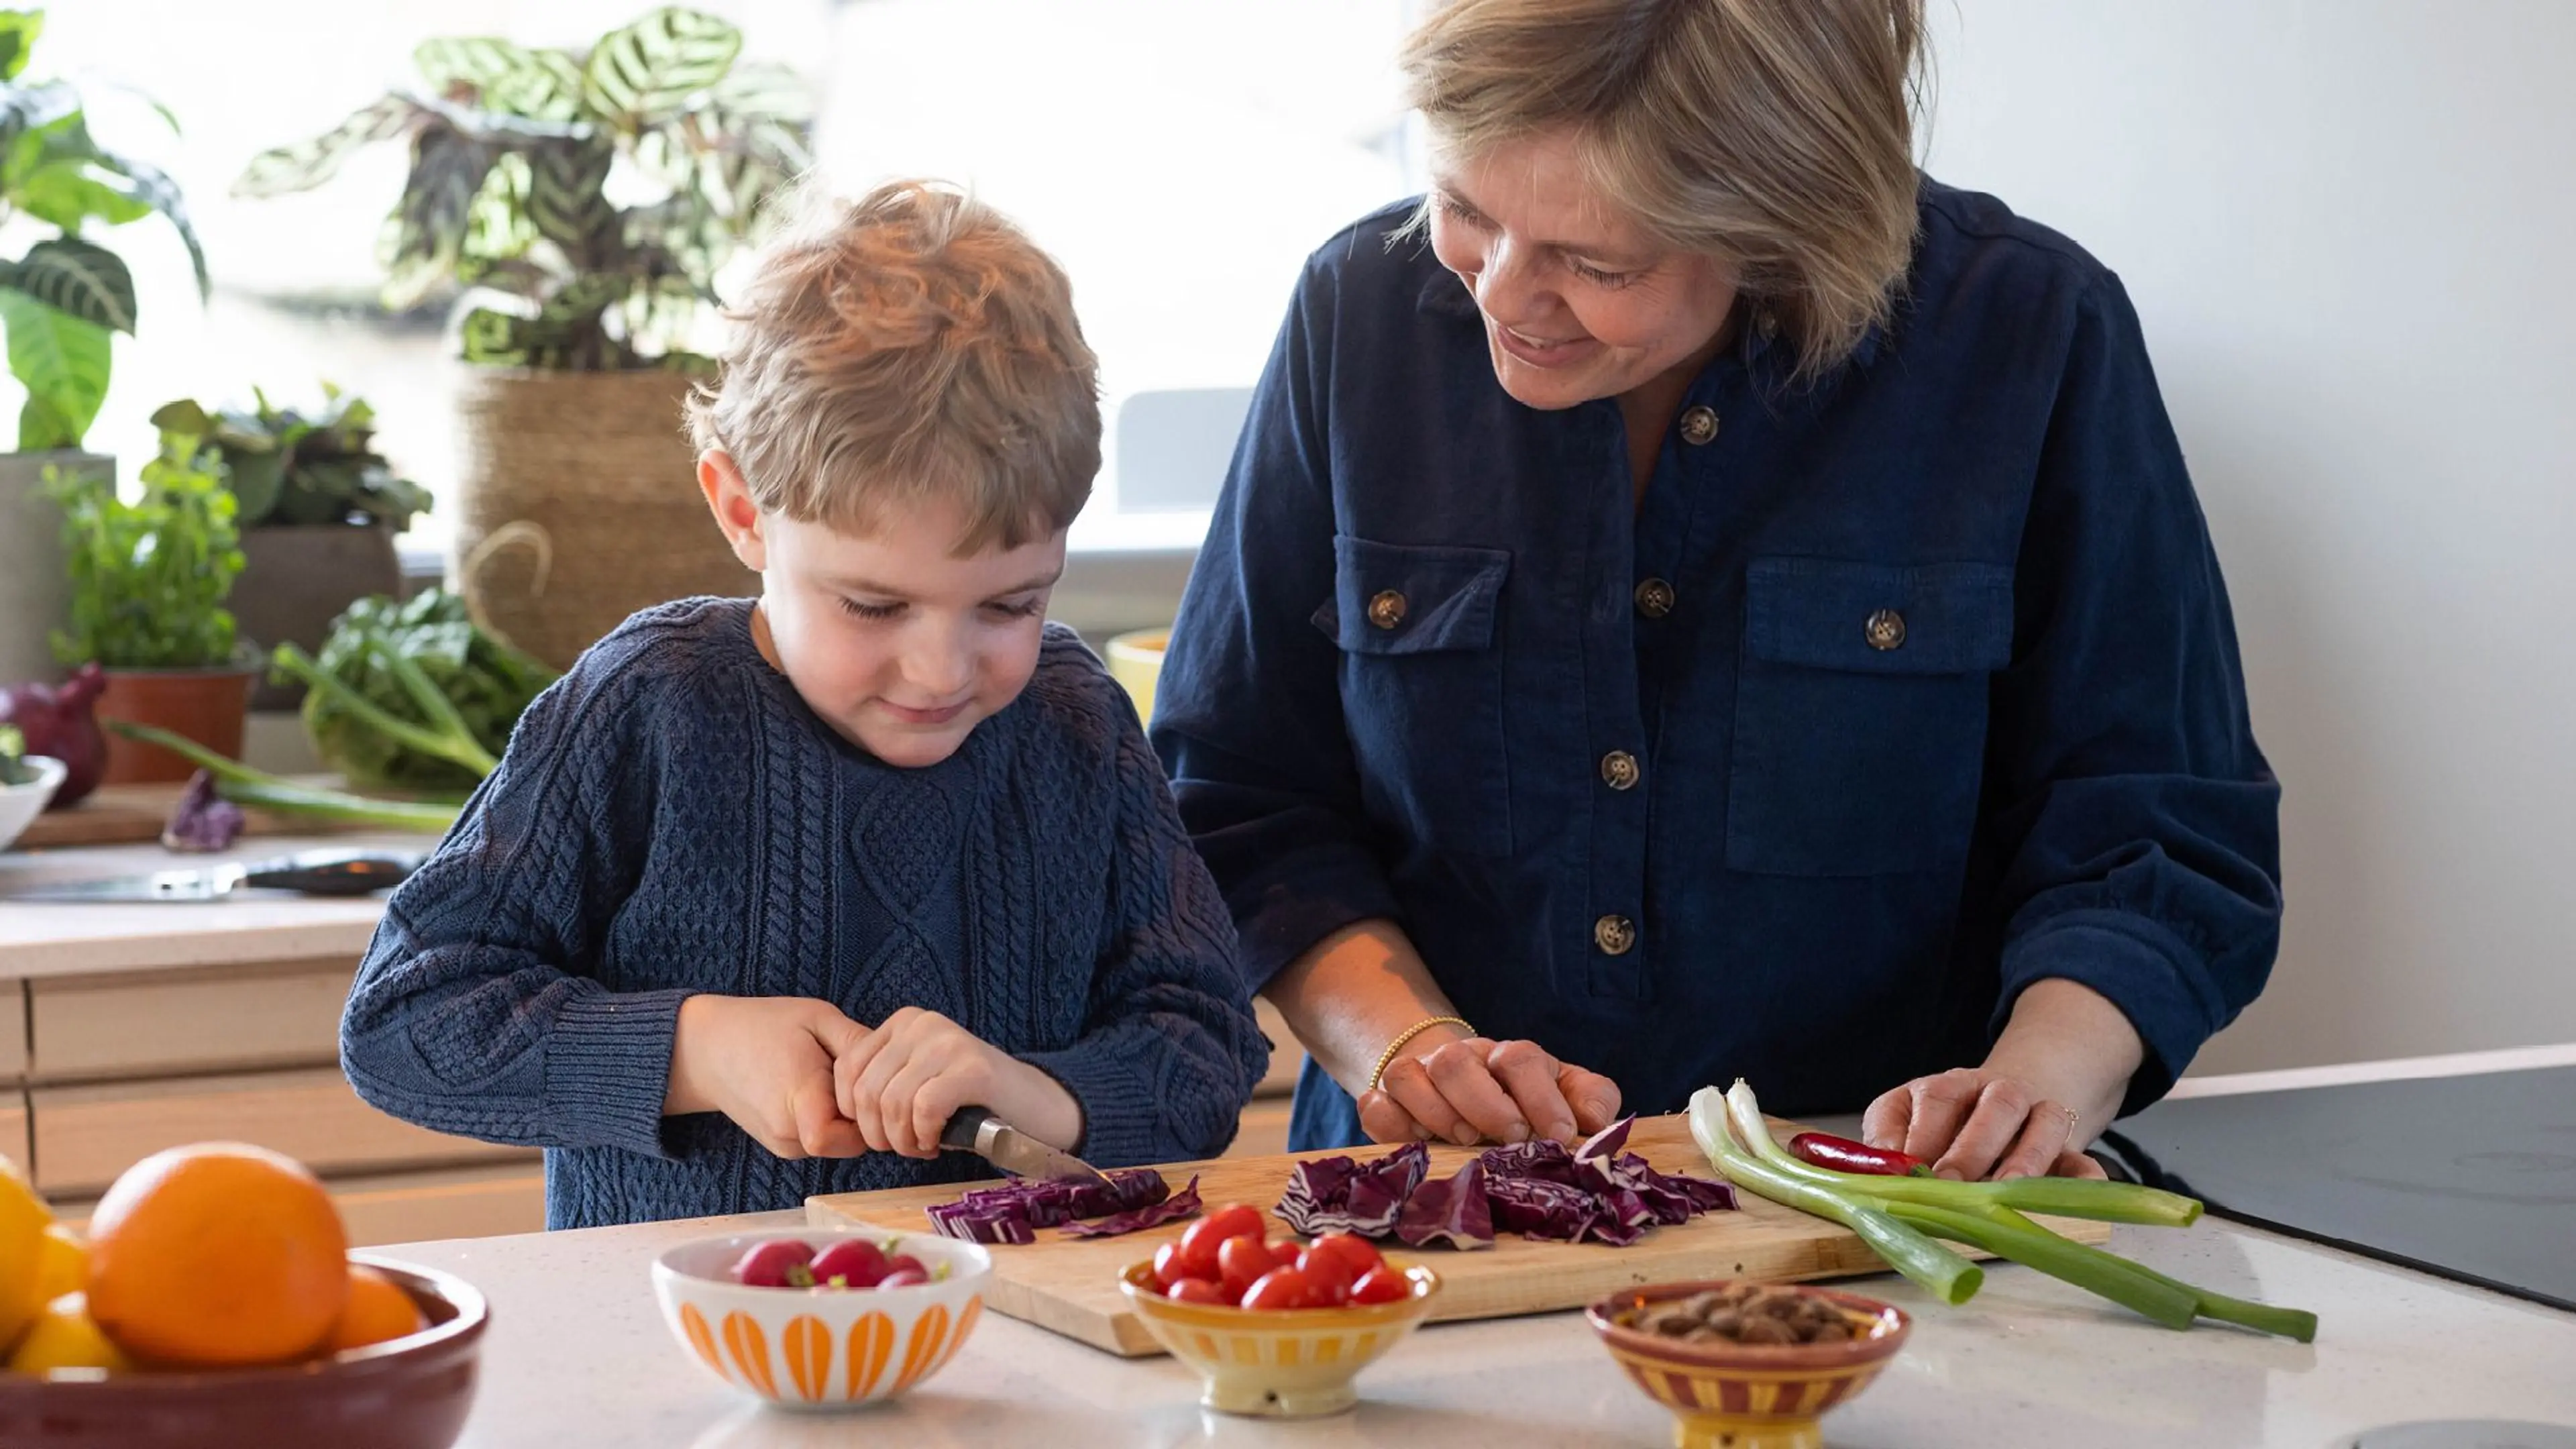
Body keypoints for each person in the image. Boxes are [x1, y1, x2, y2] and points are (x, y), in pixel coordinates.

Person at [1152, 0, 2281, 1181]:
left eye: (1596, 264)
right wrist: (1412, 1051)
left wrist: (2034, 1088)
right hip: (1437, 1210)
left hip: (1883, 1220)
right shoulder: (1357, 312)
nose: (1498, 294)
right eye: (1465, 210)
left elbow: (2159, 823)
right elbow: (1237, 788)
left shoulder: (2032, 333)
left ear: (1784, 225)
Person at [342, 180, 1269, 1228]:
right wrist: (693, 1048)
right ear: (743, 511)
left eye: (1011, 603)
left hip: (1014, 1352)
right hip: (673, 1359)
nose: (940, 671)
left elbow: (1204, 1046)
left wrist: (1032, 1097)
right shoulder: (647, 704)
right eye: (873, 605)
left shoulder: (1076, 724)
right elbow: (403, 1020)